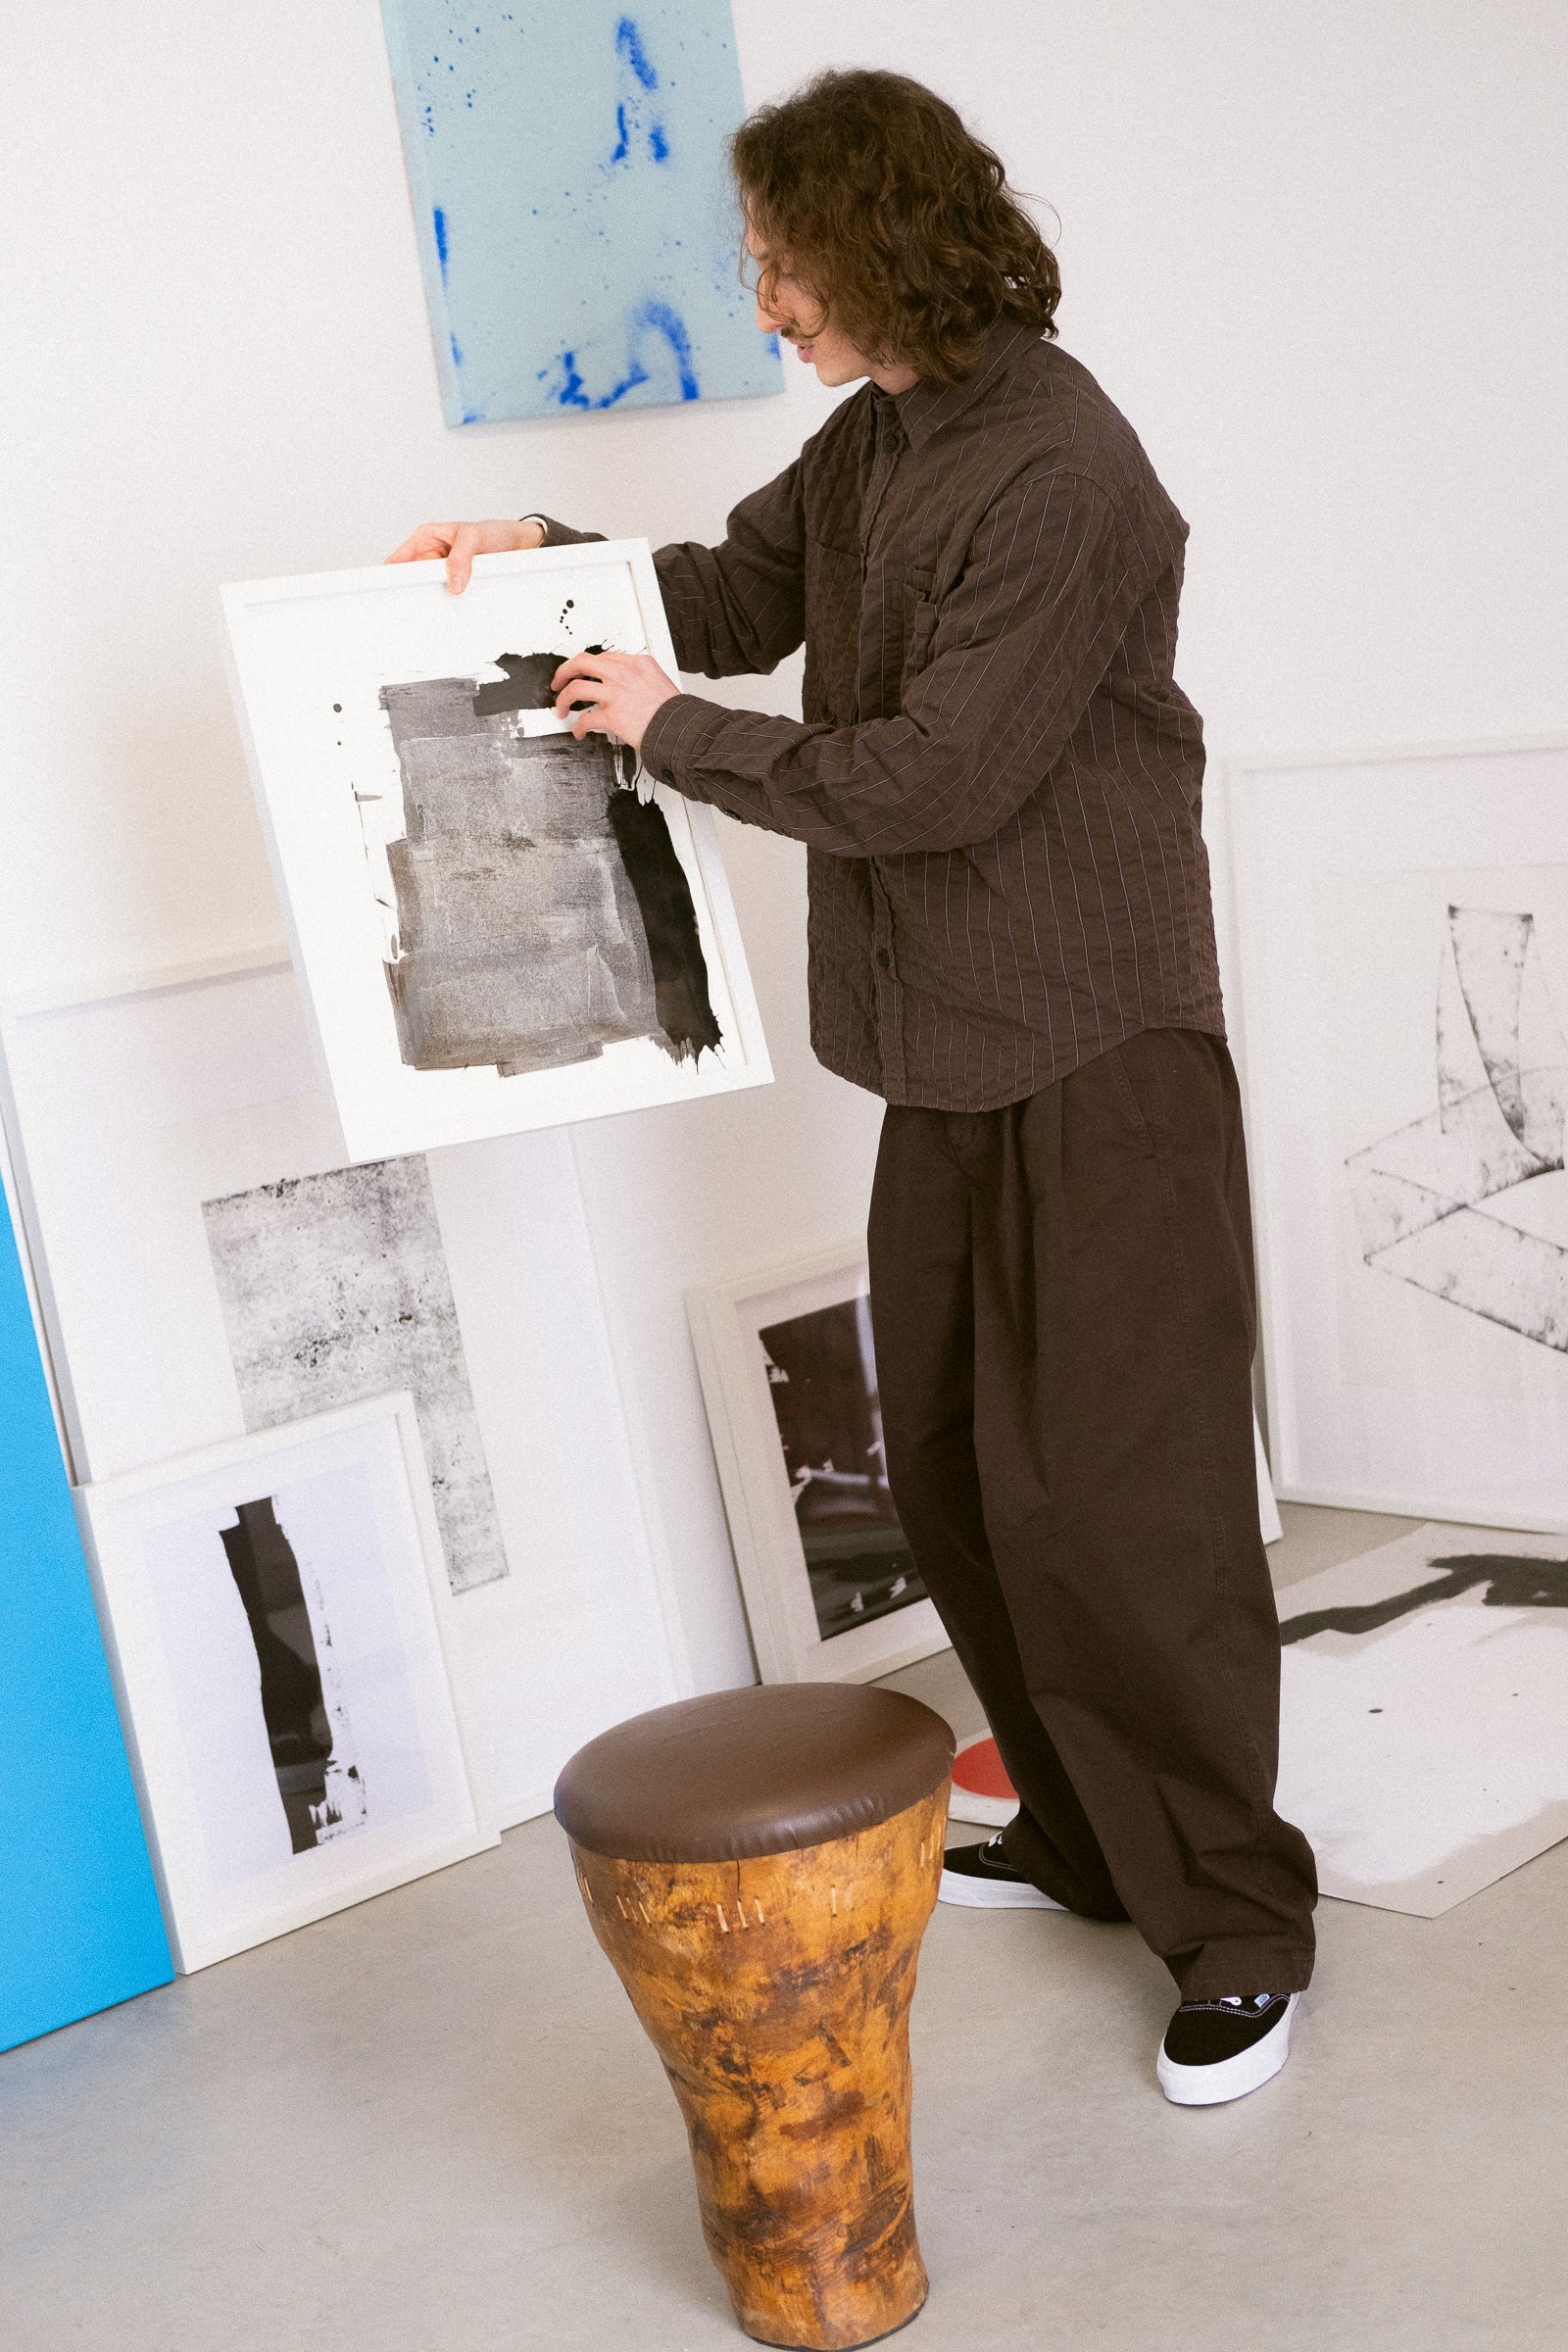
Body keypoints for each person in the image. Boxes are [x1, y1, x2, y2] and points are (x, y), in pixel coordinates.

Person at [388, 67, 1317, 2108]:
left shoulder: (1066, 468)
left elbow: (940, 778)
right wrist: (530, 558)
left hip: (1098, 1045)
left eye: (779, 264)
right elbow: (732, 593)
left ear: (878, 245)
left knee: (1128, 1509)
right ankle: (1088, 1837)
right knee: (968, 1479)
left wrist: (677, 736)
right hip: (941, 1047)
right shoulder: (879, 434)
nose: (764, 302)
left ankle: (1241, 1924)